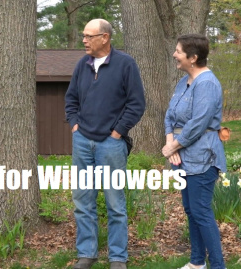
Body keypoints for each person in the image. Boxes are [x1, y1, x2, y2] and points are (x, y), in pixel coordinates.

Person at [65, 19, 146, 269]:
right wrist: (75, 126)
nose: (84, 40)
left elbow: (136, 104)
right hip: (82, 142)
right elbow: (71, 99)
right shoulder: (83, 64)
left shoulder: (125, 64)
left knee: (115, 203)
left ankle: (118, 257)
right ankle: (87, 254)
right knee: (83, 201)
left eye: (89, 36)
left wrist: (117, 133)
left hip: (111, 145)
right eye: (84, 35)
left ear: (105, 38)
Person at [162, 34, 226, 269]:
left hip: (202, 157)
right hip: (180, 156)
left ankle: (218, 266)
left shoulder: (207, 83)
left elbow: (199, 123)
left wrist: (175, 145)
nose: (174, 54)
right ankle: (197, 263)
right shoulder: (183, 82)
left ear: (193, 57)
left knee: (200, 211)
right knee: (191, 210)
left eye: (178, 51)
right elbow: (169, 115)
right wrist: (171, 145)